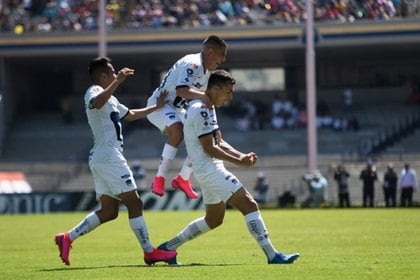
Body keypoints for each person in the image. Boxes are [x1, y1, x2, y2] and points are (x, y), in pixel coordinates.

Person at [157, 70, 299, 265]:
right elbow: (210, 148)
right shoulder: (200, 109)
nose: (231, 96)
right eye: (228, 92)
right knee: (249, 204)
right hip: (210, 170)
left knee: (213, 220)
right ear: (215, 88)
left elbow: (219, 141)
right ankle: (272, 255)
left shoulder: (209, 107)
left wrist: (241, 155)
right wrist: (240, 162)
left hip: (208, 170)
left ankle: (168, 248)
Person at [54, 57, 176, 266]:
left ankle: (67, 237)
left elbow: (129, 115)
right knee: (135, 202)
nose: (115, 74)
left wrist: (156, 107)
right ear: (103, 76)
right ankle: (149, 252)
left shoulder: (111, 99)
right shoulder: (93, 91)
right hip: (109, 155)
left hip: (103, 156)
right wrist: (118, 81)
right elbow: (96, 102)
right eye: (111, 72)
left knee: (109, 211)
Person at [146, 35, 228, 199]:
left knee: (205, 137)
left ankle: (183, 178)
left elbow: (205, 101)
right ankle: (159, 178)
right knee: (178, 131)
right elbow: (181, 90)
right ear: (210, 52)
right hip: (160, 105)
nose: (223, 59)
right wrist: (205, 97)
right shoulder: (193, 63)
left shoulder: (206, 73)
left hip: (177, 109)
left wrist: (214, 127)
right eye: (221, 54)